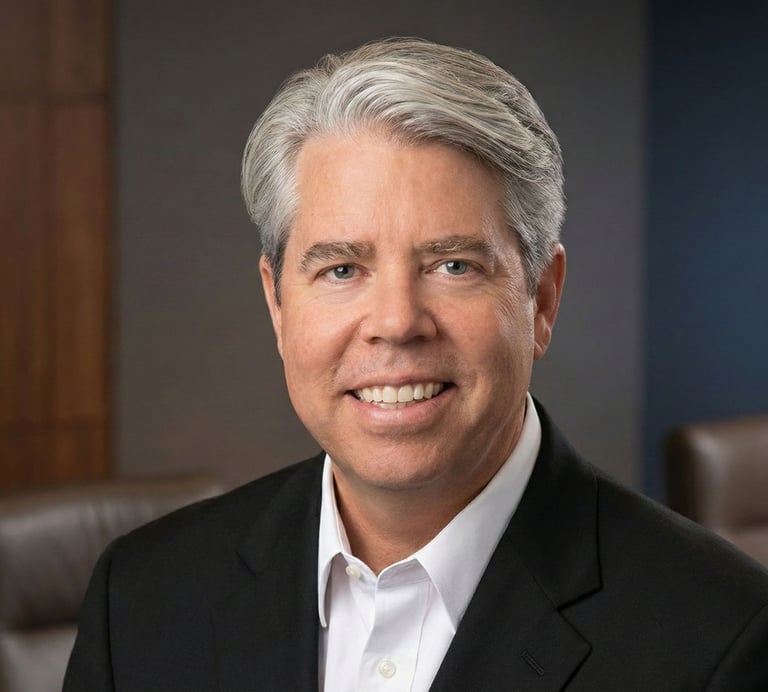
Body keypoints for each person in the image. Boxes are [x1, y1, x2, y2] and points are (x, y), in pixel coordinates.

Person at [65, 38, 768, 691]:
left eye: (453, 265)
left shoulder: (724, 636)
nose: (396, 322)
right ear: (277, 306)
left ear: (542, 300)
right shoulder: (141, 597)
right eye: (342, 269)